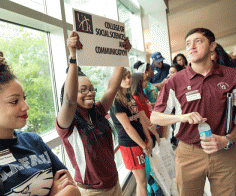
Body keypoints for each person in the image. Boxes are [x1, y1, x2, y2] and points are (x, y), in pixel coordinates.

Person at [0, 50, 80, 196]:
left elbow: (67, 183)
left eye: (24, 98)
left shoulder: (33, 141)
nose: (26, 106)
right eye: (14, 101)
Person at [150, 28, 236, 196]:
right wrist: (182, 117)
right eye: (188, 43)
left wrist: (227, 140)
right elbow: (155, 116)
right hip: (189, 153)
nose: (191, 47)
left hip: (224, 150)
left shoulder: (232, 76)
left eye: (198, 41)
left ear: (212, 46)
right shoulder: (174, 82)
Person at [56, 32, 131, 196]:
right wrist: (73, 56)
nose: (89, 93)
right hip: (92, 192)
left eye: (91, 89)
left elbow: (112, 86)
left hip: (114, 185)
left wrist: (123, 53)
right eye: (82, 90)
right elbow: (69, 101)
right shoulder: (68, 124)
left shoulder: (97, 111)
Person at [110, 68, 153, 196]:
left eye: (129, 77)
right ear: (117, 80)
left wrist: (149, 139)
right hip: (130, 145)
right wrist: (143, 145)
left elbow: (139, 120)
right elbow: (128, 128)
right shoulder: (116, 101)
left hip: (141, 141)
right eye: (123, 78)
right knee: (141, 181)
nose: (128, 80)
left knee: (144, 179)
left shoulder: (130, 96)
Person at [131, 72, 160, 145]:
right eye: (144, 80)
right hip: (149, 132)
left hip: (152, 128)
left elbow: (147, 108)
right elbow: (144, 119)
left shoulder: (142, 95)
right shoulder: (136, 98)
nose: (146, 82)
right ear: (138, 82)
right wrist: (156, 134)